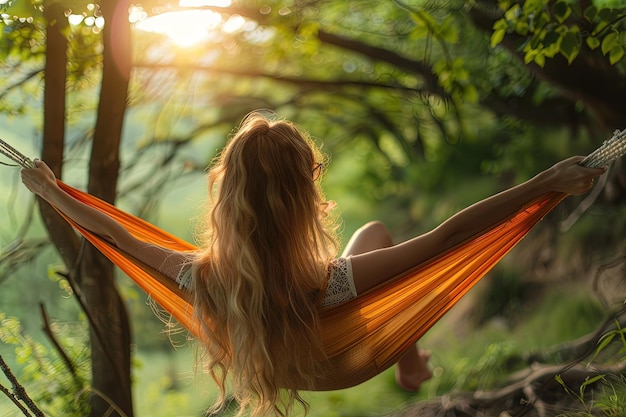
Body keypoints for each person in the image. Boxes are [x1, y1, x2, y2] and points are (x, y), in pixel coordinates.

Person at [20, 113, 606, 417]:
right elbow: (447, 236)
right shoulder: (335, 281)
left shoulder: (204, 276)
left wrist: (53, 193)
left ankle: (410, 364)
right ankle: (410, 365)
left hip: (278, 361)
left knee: (373, 234)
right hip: (347, 358)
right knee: (379, 237)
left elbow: (116, 234)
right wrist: (544, 184)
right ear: (304, 198)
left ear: (229, 201)